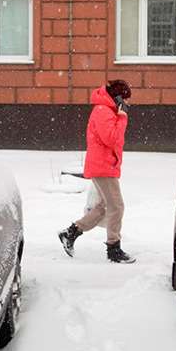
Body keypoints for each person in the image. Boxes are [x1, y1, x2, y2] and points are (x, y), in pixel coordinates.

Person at [58, 80, 135, 264]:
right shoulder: (103, 111)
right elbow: (111, 138)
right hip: (103, 167)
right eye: (125, 99)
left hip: (105, 165)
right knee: (117, 206)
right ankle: (113, 248)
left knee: (102, 208)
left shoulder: (107, 111)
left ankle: (70, 233)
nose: (128, 104)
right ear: (117, 98)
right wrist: (122, 117)